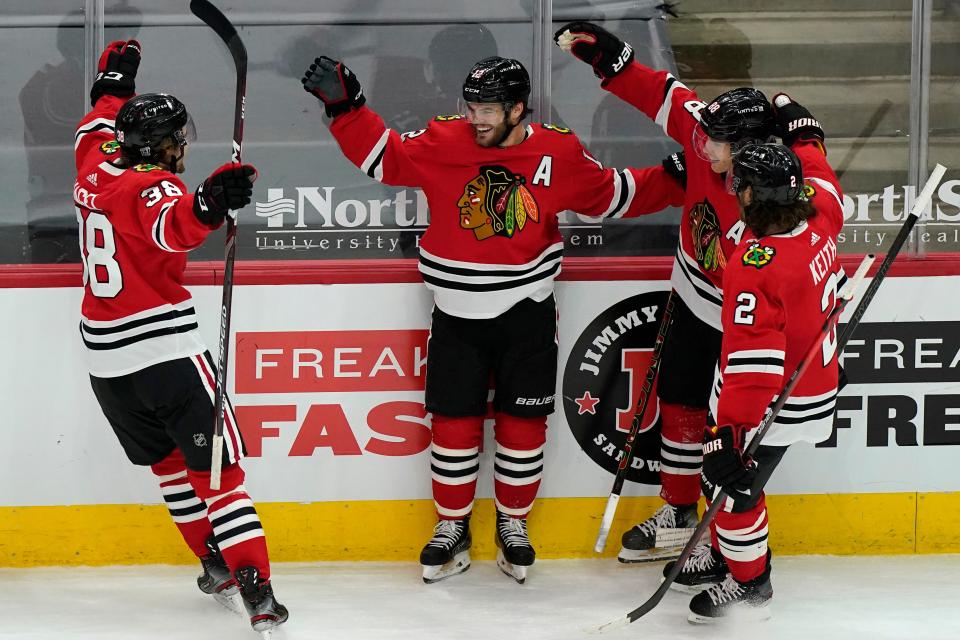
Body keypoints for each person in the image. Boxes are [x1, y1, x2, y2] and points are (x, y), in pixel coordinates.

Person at [300, 54, 685, 583]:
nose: (476, 118)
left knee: (523, 423)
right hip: (456, 314)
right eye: (472, 106)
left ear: (519, 108)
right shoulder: (443, 140)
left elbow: (611, 195)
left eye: (489, 109)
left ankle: (513, 524)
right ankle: (451, 527)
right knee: (453, 423)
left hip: (527, 312)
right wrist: (347, 109)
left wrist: (674, 178)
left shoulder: (558, 149)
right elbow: (384, 159)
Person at [74, 40, 287, 633]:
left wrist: (115, 77)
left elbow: (97, 117)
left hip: (107, 366)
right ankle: (258, 590)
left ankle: (214, 568)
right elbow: (177, 227)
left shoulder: (93, 162)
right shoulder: (151, 187)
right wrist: (212, 202)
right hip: (165, 356)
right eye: (177, 139)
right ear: (159, 147)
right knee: (219, 478)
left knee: (171, 471)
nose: (182, 146)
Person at [555, 21, 777, 562]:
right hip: (692, 295)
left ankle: (729, 537)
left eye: (716, 141)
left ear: (748, 150)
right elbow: (666, 96)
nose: (702, 145)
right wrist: (611, 59)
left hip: (746, 321)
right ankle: (679, 511)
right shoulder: (708, 144)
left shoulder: (775, 197)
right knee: (678, 399)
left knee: (730, 429)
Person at [668, 96, 845, 623]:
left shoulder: (755, 267)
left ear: (748, 192)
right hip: (815, 383)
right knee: (735, 488)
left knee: (731, 493)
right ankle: (733, 561)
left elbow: (753, 362)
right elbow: (818, 169)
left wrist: (730, 435)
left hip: (771, 405)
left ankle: (750, 581)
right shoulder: (821, 215)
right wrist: (804, 134)